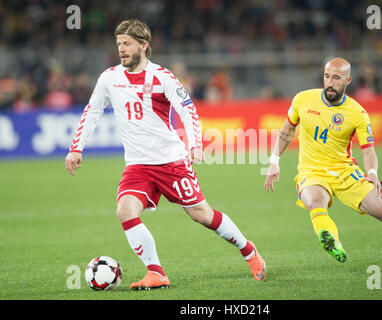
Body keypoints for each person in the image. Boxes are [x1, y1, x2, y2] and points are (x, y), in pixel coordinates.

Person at [65, 19, 267, 290]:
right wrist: (77, 148)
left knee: (202, 215)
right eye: (118, 44)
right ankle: (156, 272)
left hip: (171, 162)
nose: (121, 49)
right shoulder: (109, 78)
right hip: (137, 165)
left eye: (127, 44)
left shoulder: (162, 77)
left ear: (144, 46)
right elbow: (92, 112)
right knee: (125, 211)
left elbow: (188, 110)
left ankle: (248, 250)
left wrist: (195, 144)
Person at [264, 57, 382, 267]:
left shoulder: (357, 113)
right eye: (326, 76)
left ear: (348, 81)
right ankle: (333, 241)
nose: (330, 83)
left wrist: (372, 174)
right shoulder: (302, 99)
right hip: (311, 171)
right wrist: (274, 160)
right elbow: (287, 130)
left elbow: (368, 151)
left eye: (336, 78)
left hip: (345, 172)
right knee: (314, 202)